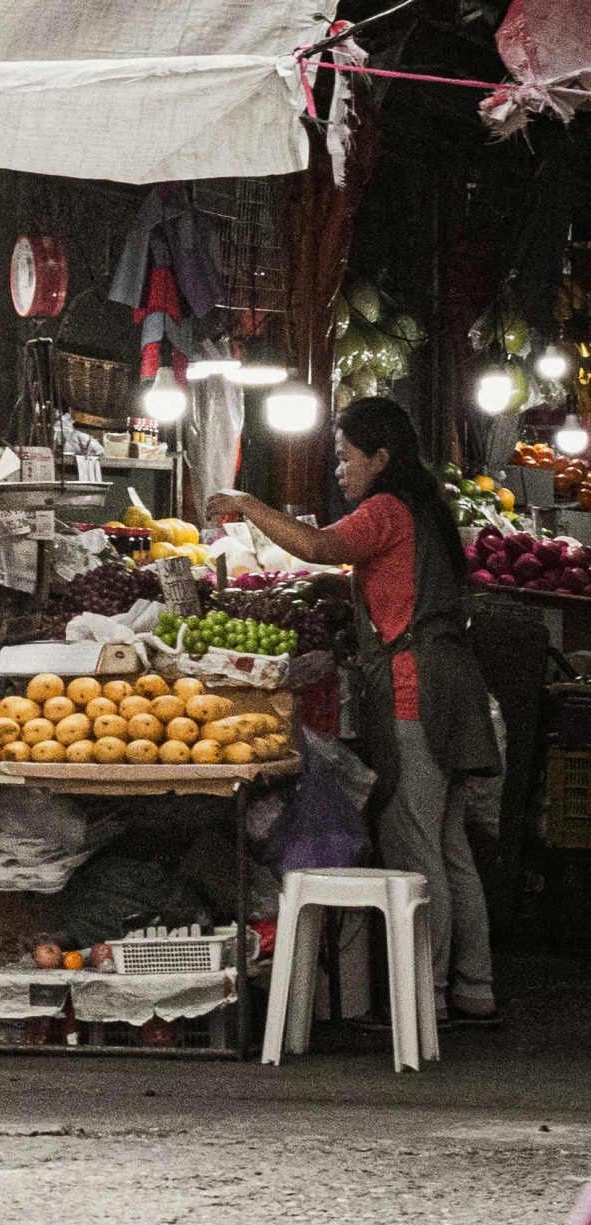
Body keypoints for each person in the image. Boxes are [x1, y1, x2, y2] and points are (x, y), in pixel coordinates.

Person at [207, 396, 501, 1026]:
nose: (339, 471)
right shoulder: (423, 510)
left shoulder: (386, 508)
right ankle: (474, 985)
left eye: (345, 458)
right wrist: (343, 587)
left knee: (415, 841)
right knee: (450, 844)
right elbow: (394, 581)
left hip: (414, 688)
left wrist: (247, 506)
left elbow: (315, 543)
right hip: (452, 684)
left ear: (381, 458)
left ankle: (431, 996)